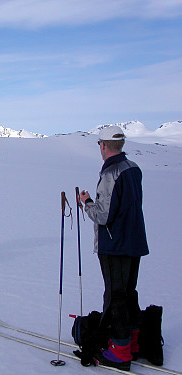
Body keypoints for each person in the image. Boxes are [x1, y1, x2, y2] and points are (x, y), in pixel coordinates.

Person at [80, 125, 149, 371]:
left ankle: (120, 351)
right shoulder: (133, 167)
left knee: (116, 296)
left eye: (99, 144)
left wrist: (86, 202)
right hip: (134, 240)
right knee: (128, 291)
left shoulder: (112, 173)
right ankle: (132, 341)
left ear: (104, 145)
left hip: (115, 243)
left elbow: (103, 215)